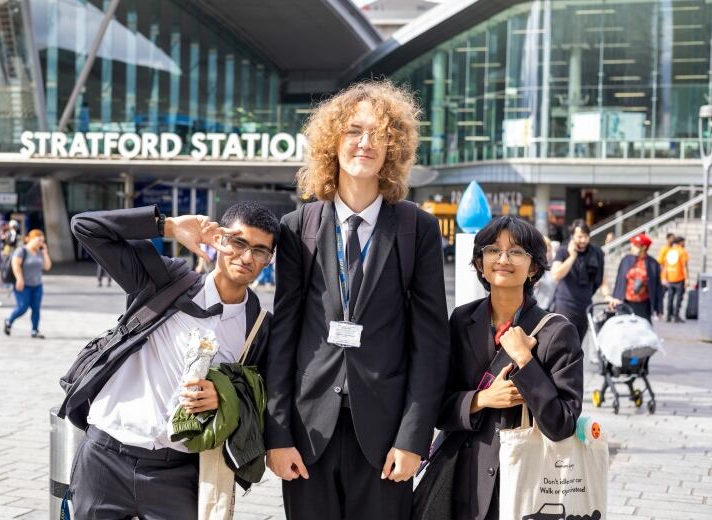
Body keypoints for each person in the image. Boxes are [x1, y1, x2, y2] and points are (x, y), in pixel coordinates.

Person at [264, 81, 450, 520]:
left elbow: (431, 344)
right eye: (353, 131)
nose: (365, 143)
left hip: (386, 438)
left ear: (393, 148)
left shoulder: (416, 229)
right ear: (332, 142)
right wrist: (277, 433)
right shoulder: (298, 227)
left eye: (378, 134)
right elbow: (283, 336)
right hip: (308, 435)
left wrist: (413, 439)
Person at [67, 201, 278, 519]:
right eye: (238, 242)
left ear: (269, 259)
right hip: (105, 456)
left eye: (260, 250)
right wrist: (167, 226)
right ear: (220, 239)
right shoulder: (165, 281)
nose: (247, 257)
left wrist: (223, 396)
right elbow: (85, 227)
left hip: (179, 471)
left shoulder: (258, 326)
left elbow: (258, 399)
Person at [420, 216, 583, 520]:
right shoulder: (461, 320)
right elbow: (436, 405)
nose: (503, 259)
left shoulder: (557, 332)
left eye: (516, 251)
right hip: (463, 482)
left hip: (525, 484)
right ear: (480, 263)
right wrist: (481, 399)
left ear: (533, 267)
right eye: (493, 250)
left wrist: (525, 361)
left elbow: (563, 424)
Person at [550, 219, 613, 340]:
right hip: (565, 306)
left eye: (586, 236)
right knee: (562, 343)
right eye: (579, 237)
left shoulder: (596, 252)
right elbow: (556, 275)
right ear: (572, 236)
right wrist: (572, 257)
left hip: (585, 307)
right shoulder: (563, 251)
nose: (583, 240)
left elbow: (602, 278)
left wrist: (607, 295)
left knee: (578, 345)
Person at [3, 230, 52, 338]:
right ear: (31, 239)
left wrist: (45, 253)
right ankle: (9, 321)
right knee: (22, 307)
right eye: (39, 240)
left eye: (43, 241)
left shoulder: (39, 252)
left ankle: (35, 330)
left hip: (37, 285)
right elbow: (15, 265)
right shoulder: (22, 251)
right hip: (23, 285)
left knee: (36, 308)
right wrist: (19, 279)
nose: (41, 243)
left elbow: (47, 267)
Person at [612, 234, 662, 323]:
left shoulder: (653, 264)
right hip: (625, 303)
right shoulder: (626, 260)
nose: (632, 247)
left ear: (644, 247)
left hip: (643, 305)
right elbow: (619, 281)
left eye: (635, 245)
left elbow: (658, 288)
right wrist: (615, 298)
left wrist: (659, 309)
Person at [662, 236, 690, 322]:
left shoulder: (669, 251)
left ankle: (668, 316)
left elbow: (665, 266)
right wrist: (687, 278)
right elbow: (684, 266)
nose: (684, 244)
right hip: (679, 278)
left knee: (670, 298)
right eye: (683, 242)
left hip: (670, 277)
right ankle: (676, 316)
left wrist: (664, 277)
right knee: (678, 298)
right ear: (680, 242)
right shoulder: (682, 251)